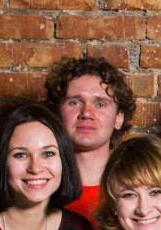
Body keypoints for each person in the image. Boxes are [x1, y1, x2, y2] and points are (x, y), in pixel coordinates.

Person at [47, 55, 137, 219]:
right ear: (57, 114)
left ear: (119, 118)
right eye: (74, 102)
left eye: (100, 104)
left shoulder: (139, 190)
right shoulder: (38, 188)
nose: (87, 113)